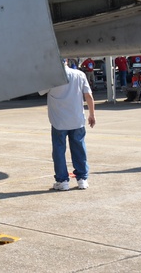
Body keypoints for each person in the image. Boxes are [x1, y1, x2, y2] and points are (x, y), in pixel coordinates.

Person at [43, 62, 96, 190]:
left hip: (59, 121)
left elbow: (41, 91)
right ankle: (82, 178)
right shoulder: (79, 74)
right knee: (79, 148)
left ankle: (63, 181)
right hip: (77, 119)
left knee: (59, 151)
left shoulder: (51, 77)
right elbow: (88, 95)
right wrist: (92, 114)